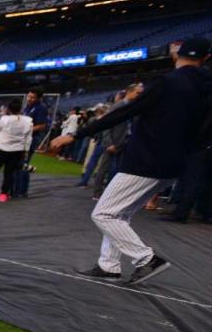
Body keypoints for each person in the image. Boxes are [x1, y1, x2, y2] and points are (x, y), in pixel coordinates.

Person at [50, 36, 212, 285]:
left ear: (174, 52)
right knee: (120, 214)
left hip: (146, 159)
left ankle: (146, 259)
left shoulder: (167, 82)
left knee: (104, 214)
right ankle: (109, 266)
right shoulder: (205, 87)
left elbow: (126, 112)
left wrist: (76, 134)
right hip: (176, 163)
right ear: (205, 58)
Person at [16, 89, 51, 197]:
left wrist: (26, 130)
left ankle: (21, 191)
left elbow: (41, 125)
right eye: (29, 96)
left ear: (39, 98)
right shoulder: (27, 107)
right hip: (23, 139)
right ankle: (17, 189)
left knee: (23, 164)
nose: (29, 99)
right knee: (19, 164)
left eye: (33, 97)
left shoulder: (41, 108)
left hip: (31, 139)